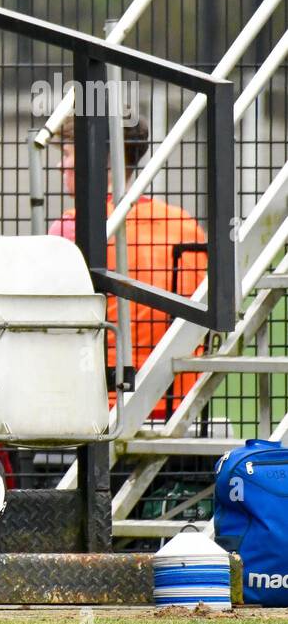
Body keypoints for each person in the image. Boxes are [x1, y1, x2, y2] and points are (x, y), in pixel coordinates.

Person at [49, 121, 207, 416]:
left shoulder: (72, 227)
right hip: (178, 399)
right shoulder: (185, 224)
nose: (61, 165)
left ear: (101, 159)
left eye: (67, 154)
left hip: (97, 402)